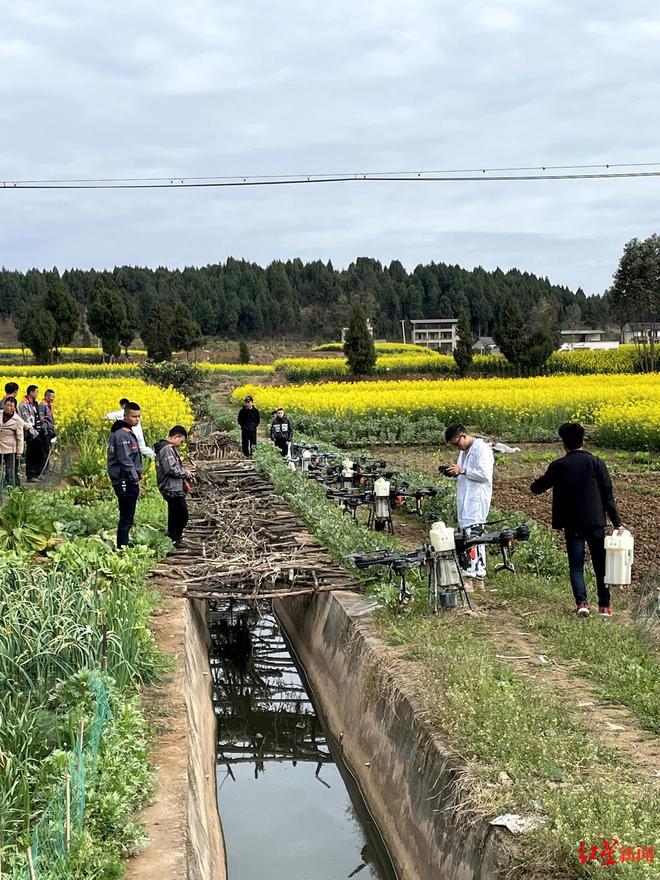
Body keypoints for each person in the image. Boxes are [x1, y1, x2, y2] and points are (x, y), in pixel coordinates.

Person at [530, 422, 625, 617]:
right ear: (584, 441)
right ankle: (605, 606)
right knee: (601, 565)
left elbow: (537, 488)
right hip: (595, 521)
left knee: (576, 564)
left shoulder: (558, 466)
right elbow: (608, 495)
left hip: (572, 522)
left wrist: (536, 481)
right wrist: (618, 523)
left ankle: (582, 603)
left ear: (563, 443)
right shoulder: (597, 463)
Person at [444, 422, 494, 579]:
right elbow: (462, 472)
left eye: (456, 443)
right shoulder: (464, 452)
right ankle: (470, 565)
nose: (456, 447)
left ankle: (478, 568)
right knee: (467, 532)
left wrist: (463, 470)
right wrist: (453, 472)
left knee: (475, 532)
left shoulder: (482, 449)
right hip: (466, 497)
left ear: (463, 436)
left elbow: (484, 475)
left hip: (477, 498)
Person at [107, 401, 144, 549]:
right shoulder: (122, 435)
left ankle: (124, 544)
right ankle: (122, 546)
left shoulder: (127, 432)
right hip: (124, 480)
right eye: (134, 416)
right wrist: (135, 478)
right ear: (125, 416)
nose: (137, 419)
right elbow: (125, 459)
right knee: (126, 516)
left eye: (139, 416)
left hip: (128, 479)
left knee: (128, 515)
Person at [154, 426, 194, 549]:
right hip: (171, 487)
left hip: (172, 486)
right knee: (182, 514)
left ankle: (173, 538)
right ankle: (175, 538)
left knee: (174, 513)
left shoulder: (167, 448)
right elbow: (171, 469)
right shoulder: (167, 449)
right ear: (176, 437)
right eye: (181, 441)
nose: (181, 444)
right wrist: (185, 472)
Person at [18, 385, 46, 481]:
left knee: (39, 453)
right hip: (31, 433)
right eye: (36, 392)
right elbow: (26, 421)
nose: (37, 394)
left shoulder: (34, 404)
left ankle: (37, 474)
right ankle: (30, 476)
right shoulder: (23, 405)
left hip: (37, 431)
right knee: (31, 454)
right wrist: (34, 434)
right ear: (31, 392)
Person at [0, 397, 24, 489]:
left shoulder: (17, 420)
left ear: (14, 407)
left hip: (10, 448)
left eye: (11, 406)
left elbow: (20, 438)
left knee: (10, 470)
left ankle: (13, 488)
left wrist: (19, 452)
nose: (8, 407)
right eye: (7, 405)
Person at [38, 389, 57, 471]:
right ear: (46, 396)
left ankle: (46, 468)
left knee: (47, 450)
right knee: (45, 451)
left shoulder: (49, 405)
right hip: (45, 432)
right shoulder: (42, 405)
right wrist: (45, 429)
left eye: (54, 396)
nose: (53, 398)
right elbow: (41, 419)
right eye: (51, 396)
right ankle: (44, 470)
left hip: (49, 431)